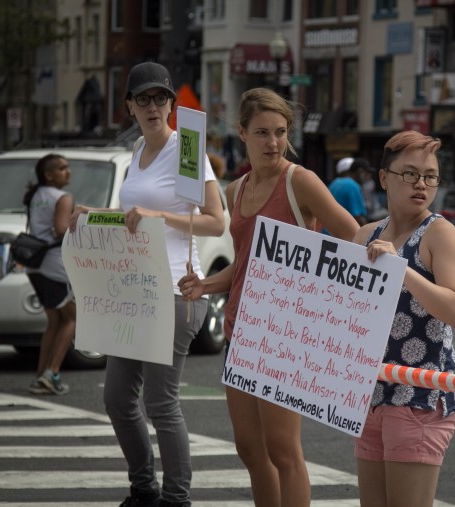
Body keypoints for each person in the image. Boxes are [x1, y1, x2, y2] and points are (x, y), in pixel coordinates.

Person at [178, 87, 358, 506]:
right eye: (262, 132)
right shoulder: (234, 190)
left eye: (280, 131)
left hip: (286, 332)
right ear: (242, 132)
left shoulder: (301, 181)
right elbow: (243, 265)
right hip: (240, 329)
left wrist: (376, 249)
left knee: (283, 451)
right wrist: (206, 284)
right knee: (250, 450)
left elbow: (353, 233)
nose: (273, 142)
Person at [70, 61, 225, 507]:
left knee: (161, 403)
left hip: (175, 292)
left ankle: (176, 499)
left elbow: (216, 222)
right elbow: (132, 222)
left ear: (174, 105)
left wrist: (162, 216)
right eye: (144, 99)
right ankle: (143, 489)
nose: (153, 106)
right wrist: (93, 216)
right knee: (118, 398)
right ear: (130, 107)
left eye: (161, 98)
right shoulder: (137, 151)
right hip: (134, 291)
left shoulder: (188, 148)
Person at [352, 130, 455, 507]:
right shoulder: (367, 234)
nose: (421, 184)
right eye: (410, 174)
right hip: (369, 395)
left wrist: (401, 269)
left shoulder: (441, 234)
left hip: (419, 395)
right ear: (384, 178)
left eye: (430, 176)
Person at [24, 154, 75, 396]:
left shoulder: (36, 196)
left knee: (54, 322)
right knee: (73, 317)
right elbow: (61, 229)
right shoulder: (63, 198)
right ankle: (51, 373)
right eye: (63, 168)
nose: (69, 172)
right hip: (55, 266)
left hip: (35, 266)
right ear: (48, 174)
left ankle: (40, 375)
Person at [325, 156, 368, 231]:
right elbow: (358, 217)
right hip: (342, 236)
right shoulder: (352, 185)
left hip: (328, 232)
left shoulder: (334, 183)